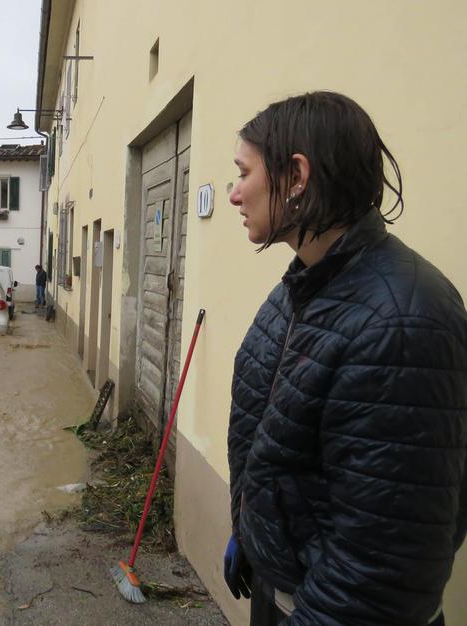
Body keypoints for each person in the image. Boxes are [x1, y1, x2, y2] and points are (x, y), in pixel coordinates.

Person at [224, 91, 467, 626]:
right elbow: (274, 437)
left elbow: (381, 576)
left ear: (297, 176)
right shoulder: (300, 287)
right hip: (284, 590)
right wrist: (249, 528)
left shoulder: (403, 319)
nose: (235, 194)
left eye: (243, 173)